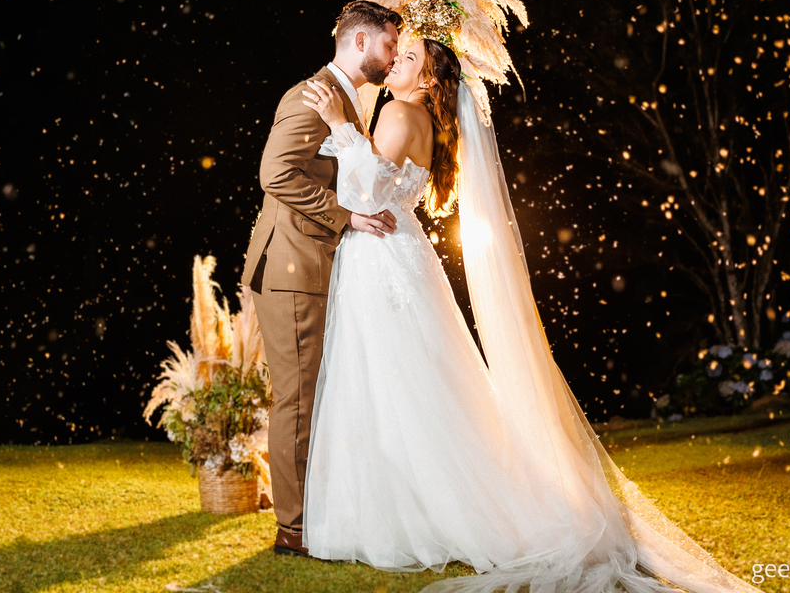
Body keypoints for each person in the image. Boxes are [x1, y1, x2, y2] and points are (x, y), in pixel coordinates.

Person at [299, 37, 765, 593]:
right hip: (402, 255)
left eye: (410, 58)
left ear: (427, 80)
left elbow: (370, 192)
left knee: (387, 378)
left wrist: (339, 126)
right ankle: (419, 505)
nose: (396, 59)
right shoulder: (424, 120)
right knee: (413, 380)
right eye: (398, 53)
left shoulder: (399, 112)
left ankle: (396, 515)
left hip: (382, 259)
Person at [240, 0, 402, 557]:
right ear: (359, 41)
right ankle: (294, 529)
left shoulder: (344, 101)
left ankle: (318, 513)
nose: (394, 55)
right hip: (292, 269)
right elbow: (274, 172)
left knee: (318, 396)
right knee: (299, 400)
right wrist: (346, 216)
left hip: (316, 267)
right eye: (388, 44)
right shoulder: (311, 95)